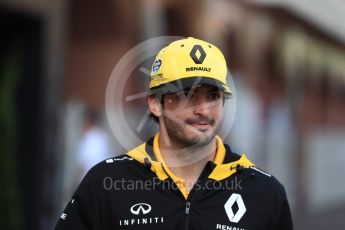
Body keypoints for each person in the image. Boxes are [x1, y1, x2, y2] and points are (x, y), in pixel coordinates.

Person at [55, 37, 293, 230]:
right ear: (156, 104)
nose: (203, 110)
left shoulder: (264, 191)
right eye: (188, 95)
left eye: (212, 96)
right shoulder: (105, 184)